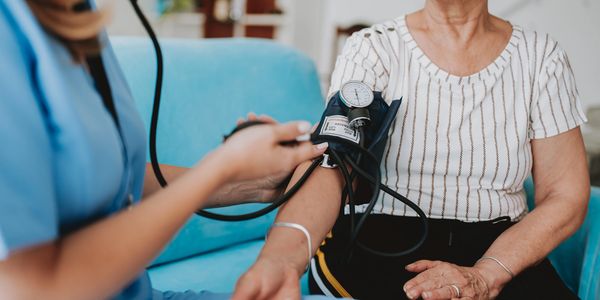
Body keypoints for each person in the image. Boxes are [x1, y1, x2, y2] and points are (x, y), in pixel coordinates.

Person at [233, 0, 591, 299]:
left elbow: (565, 193)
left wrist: (487, 273)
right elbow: (333, 166)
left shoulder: (541, 57)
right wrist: (280, 259)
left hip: (499, 248)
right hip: (378, 239)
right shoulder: (373, 47)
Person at [0, 0, 331, 299]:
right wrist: (221, 167)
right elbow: (32, 287)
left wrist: (249, 182)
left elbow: (112, 186)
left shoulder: (79, 14)